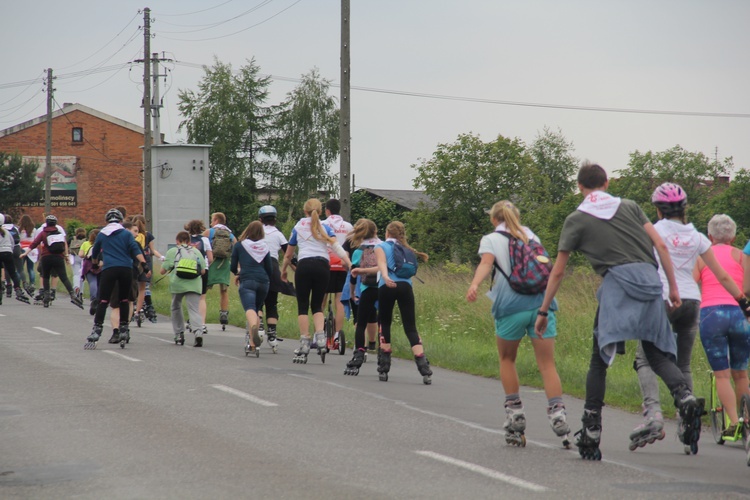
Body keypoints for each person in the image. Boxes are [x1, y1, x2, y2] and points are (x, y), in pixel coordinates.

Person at [534, 163, 715, 460]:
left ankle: (591, 430)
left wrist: (543, 311)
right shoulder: (630, 206)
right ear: (606, 182)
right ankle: (684, 397)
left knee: (598, 360)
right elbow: (660, 245)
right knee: (656, 353)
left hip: (617, 285)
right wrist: (671, 286)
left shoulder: (576, 219)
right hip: (649, 281)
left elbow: (558, 272)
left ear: (580, 187)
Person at [632, 184, 750, 449]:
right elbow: (721, 275)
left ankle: (654, 414)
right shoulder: (697, 236)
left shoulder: (652, 230)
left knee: (645, 358)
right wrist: (743, 302)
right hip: (692, 302)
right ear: (684, 208)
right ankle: (687, 424)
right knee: (682, 363)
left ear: (658, 209)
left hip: (661, 298)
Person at [466, 200, 569, 445]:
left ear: (494, 219)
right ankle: (558, 414)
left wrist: (474, 285)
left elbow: (486, 263)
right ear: (517, 216)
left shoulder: (490, 239)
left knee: (507, 359)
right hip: (542, 306)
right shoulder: (530, 235)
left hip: (510, 306)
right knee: (547, 364)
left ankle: (516, 415)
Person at [695, 214, 750, 438]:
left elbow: (692, 281)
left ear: (709, 236)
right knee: (741, 373)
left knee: (722, 374)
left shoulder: (702, 257)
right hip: (739, 314)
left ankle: (734, 421)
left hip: (711, 315)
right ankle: (747, 418)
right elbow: (746, 287)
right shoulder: (739, 255)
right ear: (734, 237)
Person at [281, 198, 351, 362]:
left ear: (304, 211)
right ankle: (321, 337)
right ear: (320, 212)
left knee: (303, 305)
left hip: (304, 266)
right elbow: (337, 248)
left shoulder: (298, 227)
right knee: (317, 305)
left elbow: (288, 254)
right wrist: (349, 263)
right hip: (322, 267)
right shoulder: (324, 227)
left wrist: (283, 270)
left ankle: (305, 340)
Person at [374, 221, 432, 384]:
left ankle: (384, 366)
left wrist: (385, 277)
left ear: (387, 233)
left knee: (384, 323)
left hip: (387, 286)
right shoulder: (407, 249)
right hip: (406, 286)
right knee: (410, 327)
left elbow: (382, 263)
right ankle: (423, 367)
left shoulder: (381, 247)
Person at [85, 209, 149, 345]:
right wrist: (144, 264)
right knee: (124, 300)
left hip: (109, 269)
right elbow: (135, 249)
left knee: (103, 300)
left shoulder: (102, 234)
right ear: (120, 221)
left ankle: (97, 329)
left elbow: (95, 251)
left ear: (106, 221)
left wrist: (95, 265)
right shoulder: (126, 234)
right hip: (126, 269)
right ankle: (124, 328)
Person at [346, 219, 382, 375]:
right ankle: (383, 352)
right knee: (383, 321)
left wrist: (353, 292)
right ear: (375, 231)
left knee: (361, 323)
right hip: (383, 288)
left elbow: (354, 274)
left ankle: (360, 352)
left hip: (367, 289)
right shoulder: (384, 246)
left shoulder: (358, 250)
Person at [20, 215, 80, 308]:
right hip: (58, 257)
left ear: (46, 223)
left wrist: (25, 253)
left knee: (46, 276)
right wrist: (66, 256)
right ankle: (72, 295)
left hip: (46, 257)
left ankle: (46, 296)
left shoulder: (43, 233)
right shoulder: (59, 233)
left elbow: (35, 243)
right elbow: (63, 245)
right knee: (63, 277)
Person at [231, 221, 273, 353]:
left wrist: (238, 273)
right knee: (256, 309)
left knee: (249, 308)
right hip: (263, 282)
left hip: (247, 280)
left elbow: (232, 266)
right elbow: (270, 269)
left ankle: (255, 327)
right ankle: (253, 344)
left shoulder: (239, 245)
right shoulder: (265, 247)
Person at [160, 231, 207, 347]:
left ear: (177, 241)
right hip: (194, 284)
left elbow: (162, 271)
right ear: (190, 241)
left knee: (176, 307)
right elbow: (203, 271)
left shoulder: (172, 251)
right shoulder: (196, 252)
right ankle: (198, 333)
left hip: (178, 284)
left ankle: (179, 333)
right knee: (194, 309)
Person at [258, 205, 294, 346]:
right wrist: (296, 269)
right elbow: (288, 254)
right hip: (272, 268)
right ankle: (272, 335)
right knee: (272, 303)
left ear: (260, 219)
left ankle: (259, 326)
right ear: (275, 219)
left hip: (257, 266)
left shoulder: (255, 232)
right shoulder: (278, 234)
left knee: (258, 301)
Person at [322, 199, 353, 344]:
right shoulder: (348, 226)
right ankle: (337, 336)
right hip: (342, 265)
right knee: (339, 301)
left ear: (327, 210)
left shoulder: (321, 224)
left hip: (325, 265)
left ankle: (320, 332)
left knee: (320, 299)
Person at [202, 212, 236, 330]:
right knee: (224, 290)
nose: (211, 222)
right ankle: (224, 314)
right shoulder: (229, 234)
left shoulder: (209, 232)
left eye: (212, 219)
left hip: (211, 262)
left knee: (203, 291)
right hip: (225, 263)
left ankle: (199, 317)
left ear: (216, 220)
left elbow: (199, 244)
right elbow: (236, 246)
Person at [132, 214, 164, 323]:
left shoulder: (131, 236)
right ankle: (139, 311)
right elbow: (153, 251)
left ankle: (133, 308)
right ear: (144, 224)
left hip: (134, 262)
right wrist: (161, 257)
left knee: (133, 286)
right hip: (146, 262)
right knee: (143, 288)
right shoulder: (148, 235)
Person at [185, 219, 213, 333]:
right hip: (203, 269)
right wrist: (206, 265)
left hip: (188, 269)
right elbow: (210, 258)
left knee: (191, 296)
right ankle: (202, 324)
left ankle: (193, 322)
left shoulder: (186, 239)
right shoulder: (205, 240)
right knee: (202, 297)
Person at [0, 214, 30, 304]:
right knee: (13, 272)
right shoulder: (7, 232)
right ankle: (18, 290)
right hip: (8, 252)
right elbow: (13, 243)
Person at [79, 228, 101, 315]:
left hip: (88, 265)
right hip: (100, 265)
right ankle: (99, 300)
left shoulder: (85, 243)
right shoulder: (102, 244)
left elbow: (80, 255)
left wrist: (86, 255)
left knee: (92, 282)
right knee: (100, 284)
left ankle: (93, 299)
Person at [17, 214, 37, 295]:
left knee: (20, 268)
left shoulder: (20, 229)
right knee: (31, 269)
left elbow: (18, 239)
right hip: (31, 250)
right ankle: (32, 283)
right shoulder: (34, 229)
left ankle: (18, 284)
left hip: (22, 249)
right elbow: (35, 240)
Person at [69, 227, 87, 299]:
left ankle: (76, 287)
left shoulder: (71, 239)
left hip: (74, 257)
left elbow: (66, 247)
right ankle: (81, 292)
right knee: (82, 275)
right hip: (83, 258)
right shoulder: (86, 240)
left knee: (76, 274)